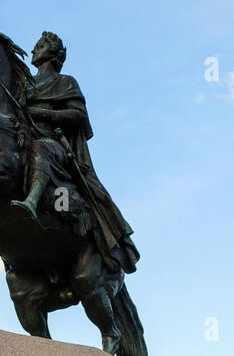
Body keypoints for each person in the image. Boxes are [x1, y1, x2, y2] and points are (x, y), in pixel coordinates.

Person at [12, 31, 140, 275]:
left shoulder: (65, 82)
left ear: (52, 53)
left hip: (53, 145)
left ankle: (32, 202)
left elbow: (79, 116)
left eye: (39, 46)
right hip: (22, 140)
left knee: (42, 148)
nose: (33, 50)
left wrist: (44, 114)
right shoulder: (24, 84)